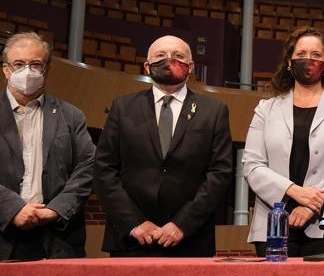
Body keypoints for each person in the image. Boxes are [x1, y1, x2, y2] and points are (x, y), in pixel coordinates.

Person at [93, 35, 234, 257]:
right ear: (147, 66)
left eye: (178, 56)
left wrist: (183, 224)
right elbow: (104, 169)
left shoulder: (214, 111)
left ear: (191, 66)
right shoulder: (123, 107)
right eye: (160, 56)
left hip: (190, 239)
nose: (169, 60)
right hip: (132, 239)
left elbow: (220, 173)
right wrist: (134, 223)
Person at [243, 27, 324, 257]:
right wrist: (294, 192)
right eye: (300, 54)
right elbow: (252, 165)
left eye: (316, 55)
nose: (308, 59)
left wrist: (312, 204)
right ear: (289, 62)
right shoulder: (265, 109)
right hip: (274, 222)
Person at [0, 32, 95, 259]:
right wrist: (13, 208)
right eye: (19, 64)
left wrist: (56, 210)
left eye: (35, 64)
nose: (27, 71)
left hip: (58, 238)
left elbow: (88, 166)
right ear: (5, 70)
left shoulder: (71, 115)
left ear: (47, 69)